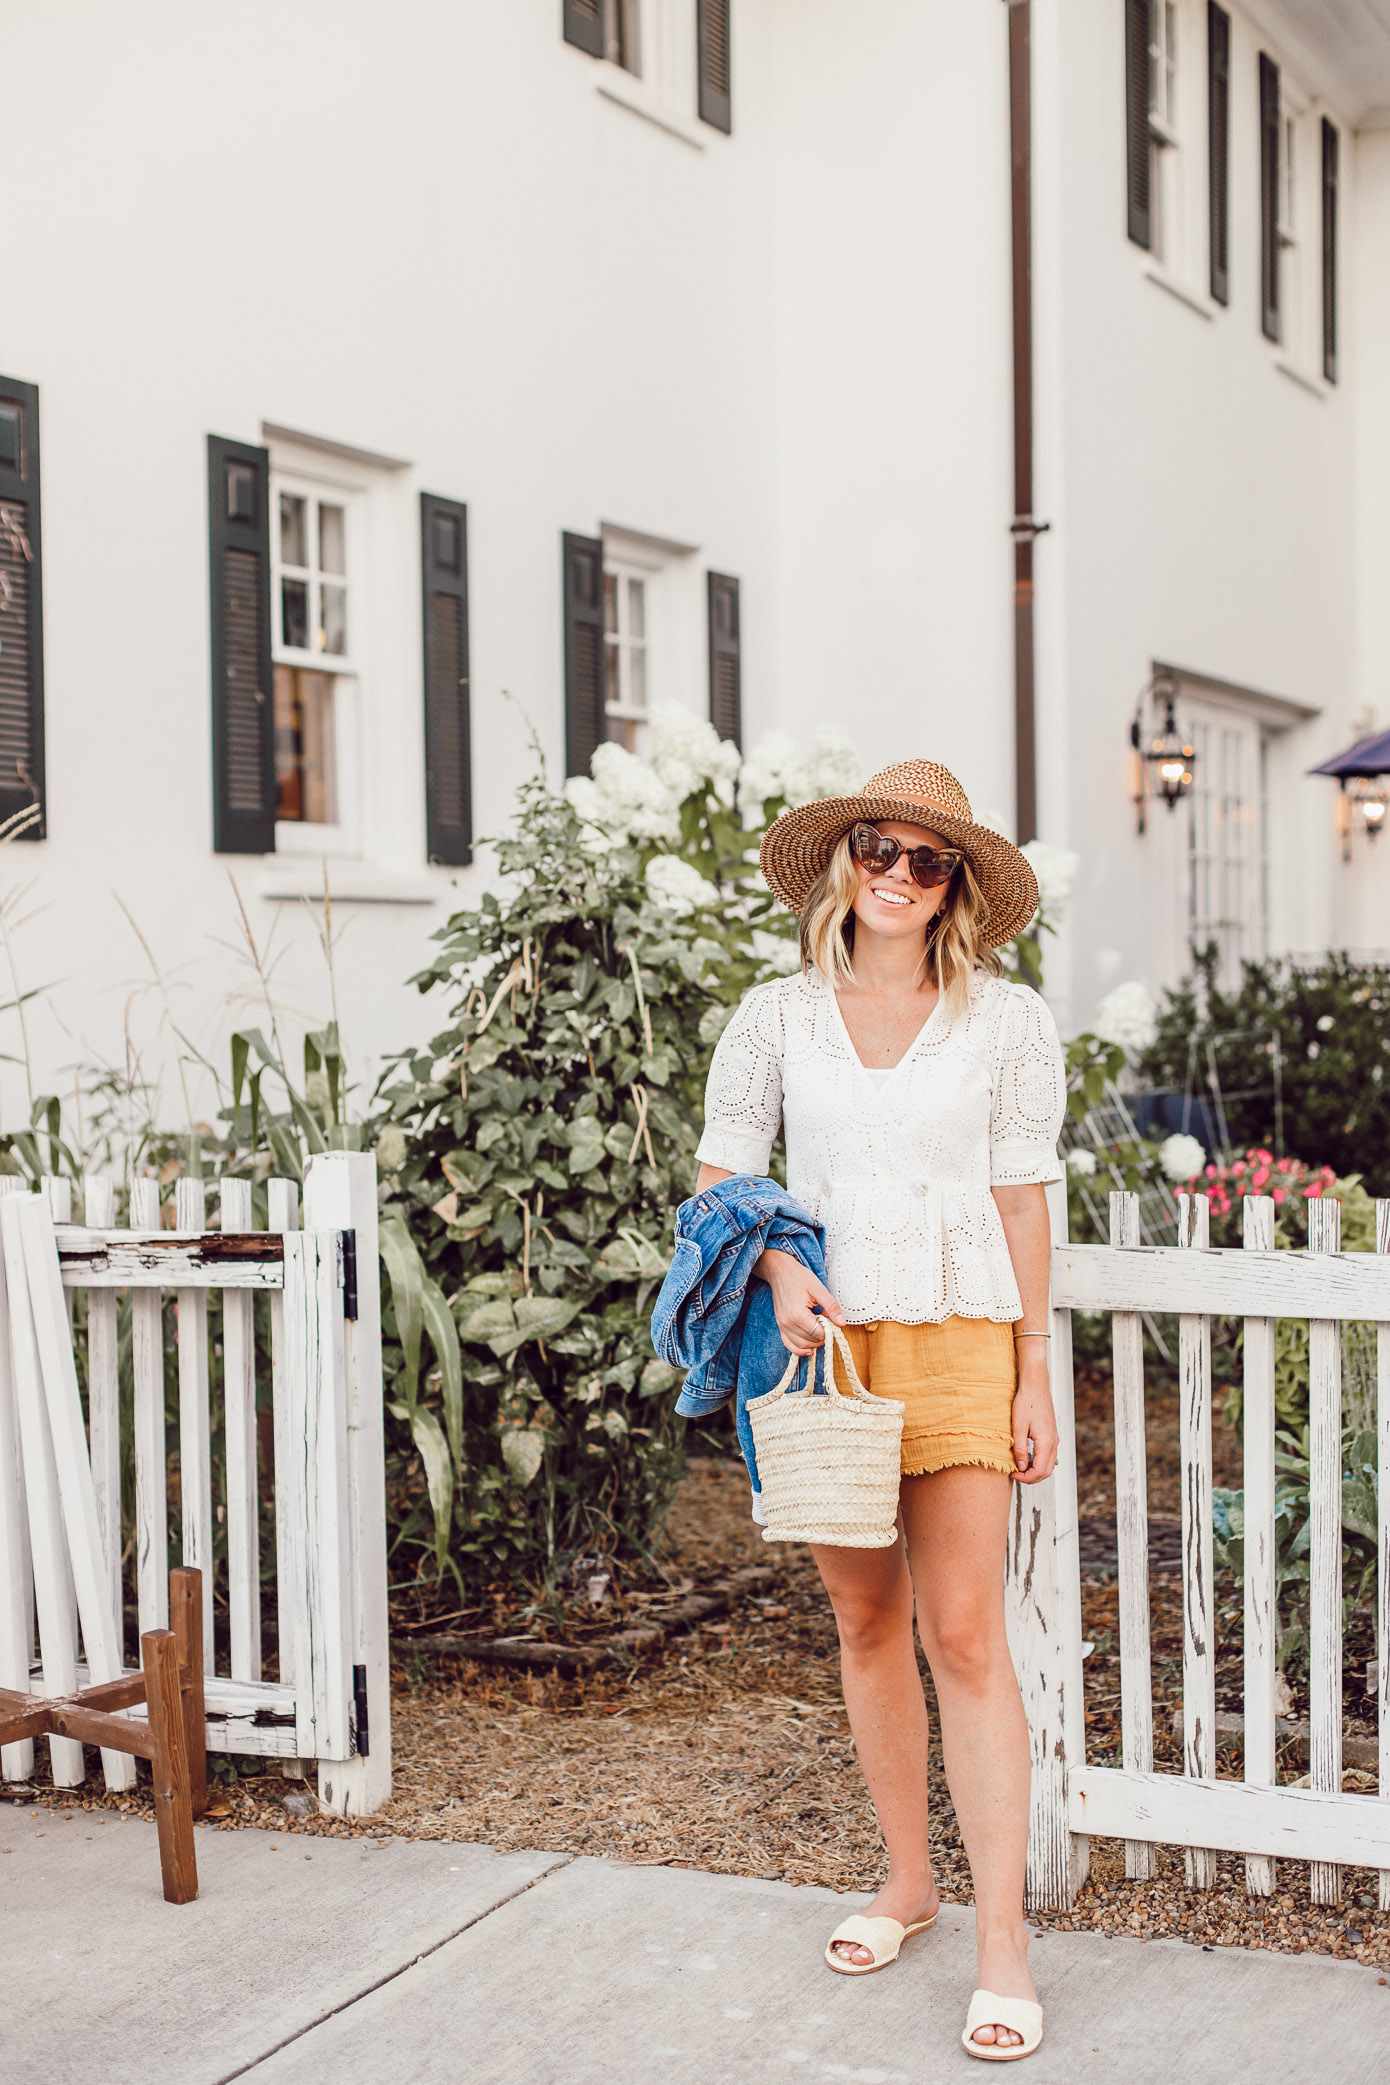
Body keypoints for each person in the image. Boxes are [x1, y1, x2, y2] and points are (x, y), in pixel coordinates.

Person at [693, 760, 1064, 2064]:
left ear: (953, 883)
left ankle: (1001, 1940)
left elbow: (1022, 1197)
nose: (897, 875)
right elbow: (721, 1177)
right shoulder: (775, 1015)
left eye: (924, 859)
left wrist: (1030, 1365)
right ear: (843, 862)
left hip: (962, 1334)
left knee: (965, 1634)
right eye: (878, 850)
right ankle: (908, 1878)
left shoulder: (1003, 1021)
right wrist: (784, 1271)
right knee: (865, 1616)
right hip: (821, 1346)